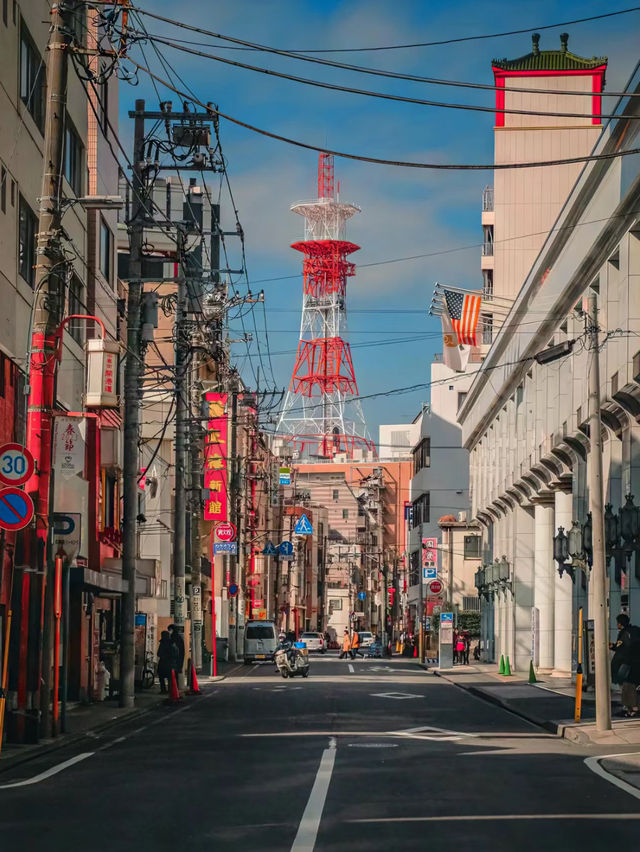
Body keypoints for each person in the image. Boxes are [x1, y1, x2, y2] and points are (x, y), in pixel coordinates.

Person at [610, 613, 640, 717]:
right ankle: (630, 708)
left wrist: (613, 646)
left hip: (626, 663)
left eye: (618, 623)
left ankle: (631, 708)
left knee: (627, 685)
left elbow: (622, 648)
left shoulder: (625, 633)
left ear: (620, 623)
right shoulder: (634, 630)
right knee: (629, 685)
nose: (617, 625)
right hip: (635, 663)